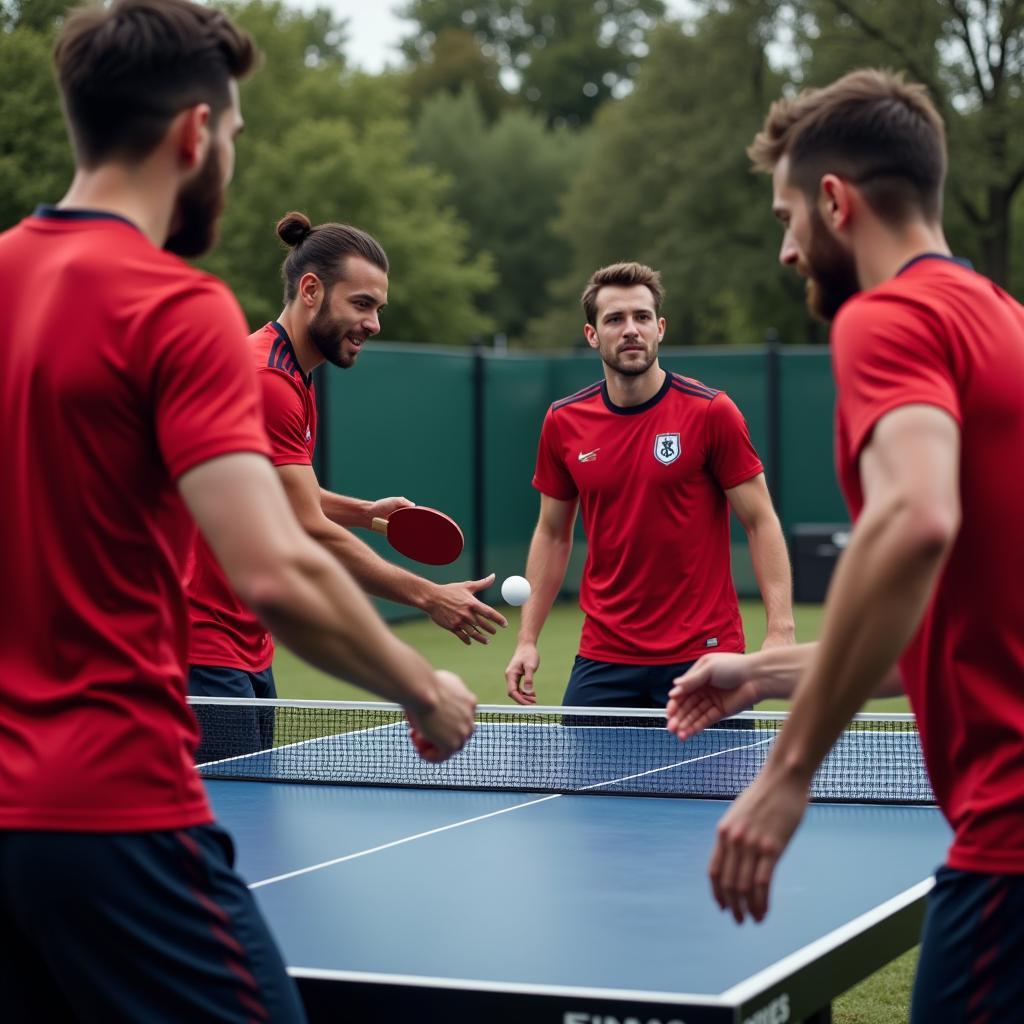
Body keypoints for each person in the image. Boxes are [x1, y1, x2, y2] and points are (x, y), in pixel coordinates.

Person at [0, 2, 475, 1022]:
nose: (232, 161)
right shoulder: (181, 310)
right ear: (192, 134)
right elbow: (277, 563)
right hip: (116, 807)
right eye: (236, 136)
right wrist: (419, 689)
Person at [665, 69, 1024, 1022]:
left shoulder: (889, 319)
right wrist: (763, 672)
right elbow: (941, 643)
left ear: (835, 201)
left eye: (788, 216)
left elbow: (914, 522)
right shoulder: (1003, 320)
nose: (787, 249)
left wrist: (788, 773)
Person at [186, 211, 507, 750]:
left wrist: (364, 511)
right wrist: (430, 596)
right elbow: (307, 527)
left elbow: (275, 490)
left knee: (249, 813)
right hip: (198, 642)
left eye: (378, 308)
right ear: (311, 290)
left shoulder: (289, 370)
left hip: (244, 639)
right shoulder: (269, 381)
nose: (375, 323)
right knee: (222, 823)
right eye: (362, 304)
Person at [505, 262, 795, 708]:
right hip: (604, 656)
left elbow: (760, 522)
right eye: (615, 319)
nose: (630, 330)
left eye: (642, 317)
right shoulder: (563, 422)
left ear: (660, 328)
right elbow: (552, 532)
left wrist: (780, 631)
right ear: (591, 334)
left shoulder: (711, 412)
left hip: (705, 653)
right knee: (575, 780)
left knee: (724, 781)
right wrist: (527, 639)